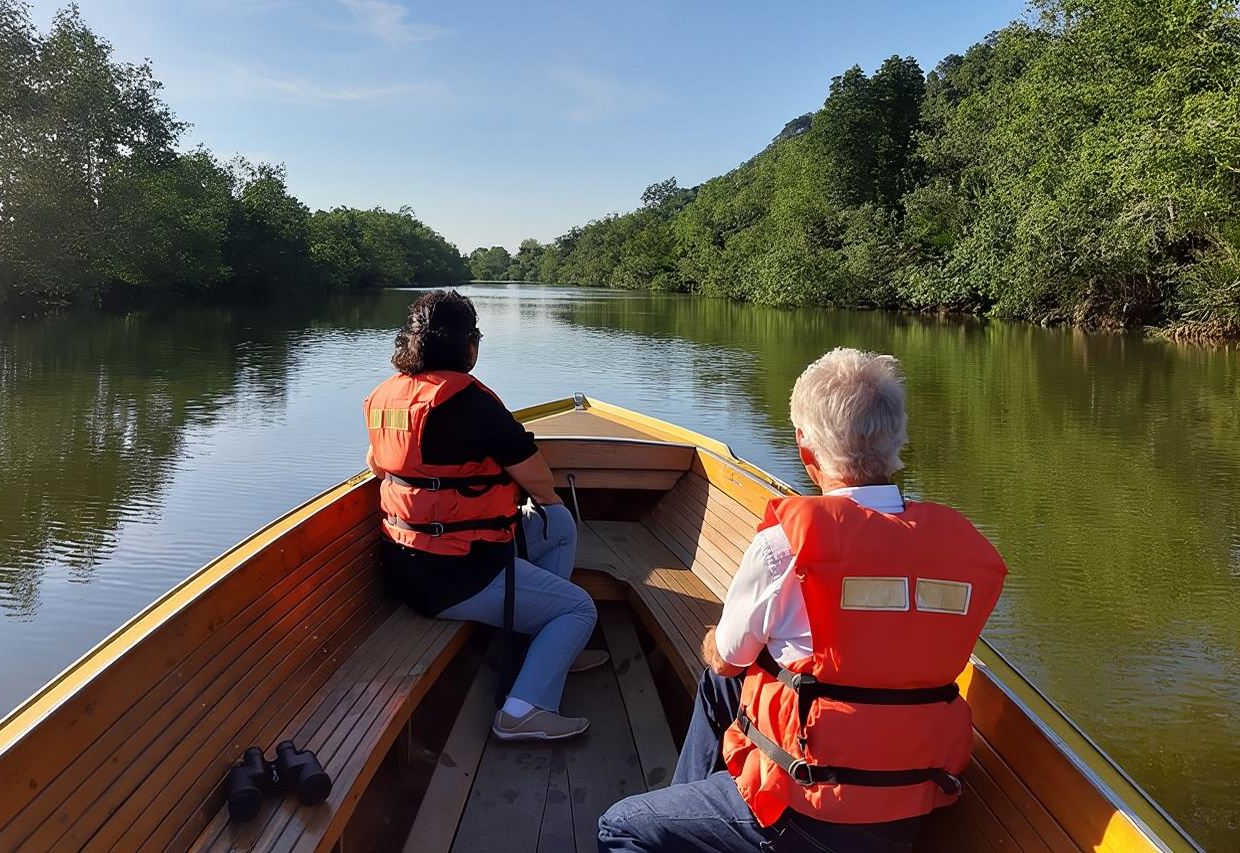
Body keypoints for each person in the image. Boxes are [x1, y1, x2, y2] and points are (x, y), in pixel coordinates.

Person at [597, 348, 1007, 852]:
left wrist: (715, 643)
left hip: (805, 811)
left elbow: (728, 658)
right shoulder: (961, 548)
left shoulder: (786, 545)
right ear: (898, 442)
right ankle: (695, 810)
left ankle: (691, 824)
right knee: (723, 688)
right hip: (909, 804)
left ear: (806, 451)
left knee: (620, 824)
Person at [363, 289, 605, 742]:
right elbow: (541, 484)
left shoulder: (384, 398)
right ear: (467, 345)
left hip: (403, 568)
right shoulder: (472, 403)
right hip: (459, 575)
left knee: (559, 528)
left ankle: (546, 647)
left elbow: (377, 464)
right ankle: (522, 710)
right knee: (577, 607)